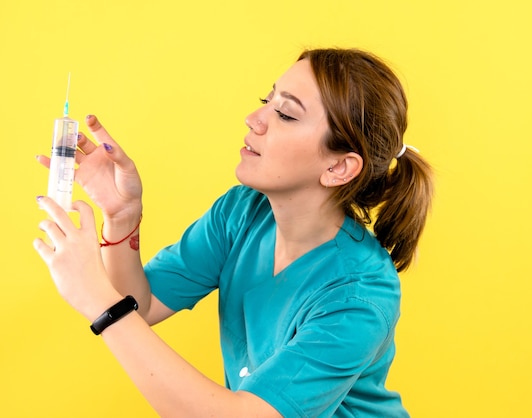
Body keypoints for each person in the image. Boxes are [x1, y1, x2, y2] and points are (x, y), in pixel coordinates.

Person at [34, 47, 433, 417]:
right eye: (267, 101)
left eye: (286, 114)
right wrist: (121, 218)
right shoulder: (242, 212)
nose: (254, 119)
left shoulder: (360, 295)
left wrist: (99, 302)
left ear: (339, 168)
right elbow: (141, 304)